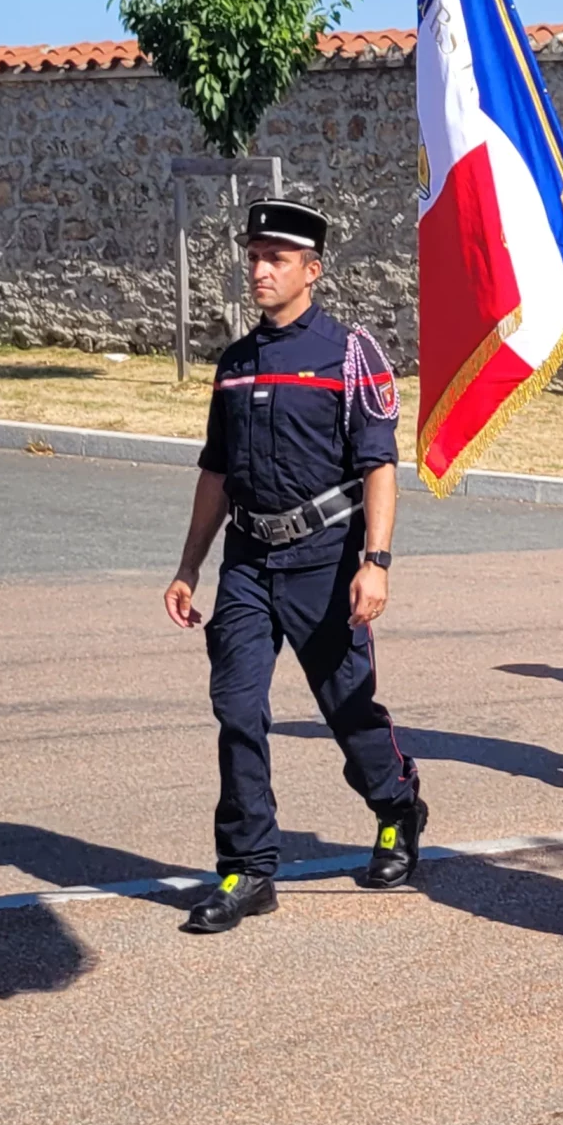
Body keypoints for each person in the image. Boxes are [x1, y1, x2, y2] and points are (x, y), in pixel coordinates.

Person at [165, 201, 422, 935]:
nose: (259, 269)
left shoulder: (349, 352)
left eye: (276, 258)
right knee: (237, 707)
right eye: (253, 256)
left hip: (326, 556)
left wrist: (376, 563)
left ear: (312, 270)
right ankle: (248, 868)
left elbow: (378, 465)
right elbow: (215, 470)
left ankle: (396, 805)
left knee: (347, 706)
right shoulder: (236, 362)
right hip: (248, 559)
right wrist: (190, 566)